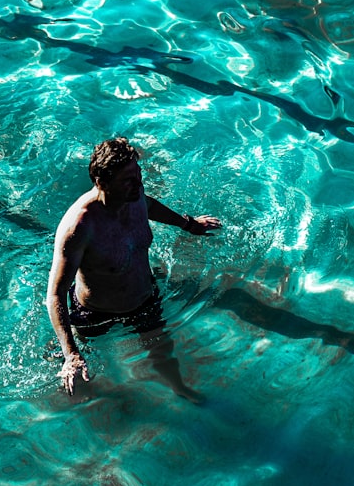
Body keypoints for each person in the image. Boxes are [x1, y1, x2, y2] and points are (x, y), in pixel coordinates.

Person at [45, 137, 222, 399]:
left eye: (137, 174)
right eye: (128, 179)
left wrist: (188, 223)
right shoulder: (79, 227)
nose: (138, 184)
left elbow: (150, 205)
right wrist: (71, 354)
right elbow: (55, 294)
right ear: (103, 183)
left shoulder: (135, 197)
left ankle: (180, 389)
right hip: (95, 313)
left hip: (144, 299)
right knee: (74, 368)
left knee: (163, 351)